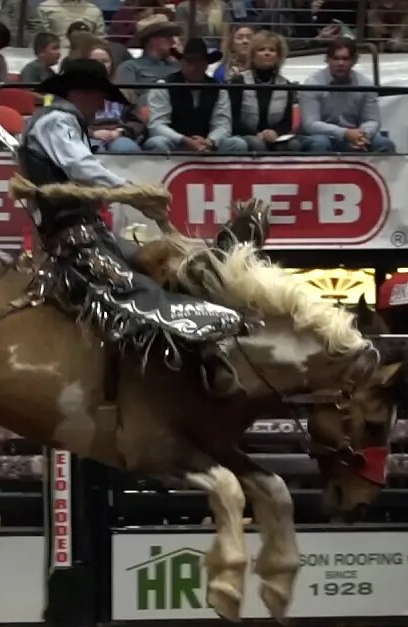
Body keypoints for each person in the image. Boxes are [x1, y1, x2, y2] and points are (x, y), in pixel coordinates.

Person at [21, 58, 245, 390]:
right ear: (83, 92)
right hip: (75, 239)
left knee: (160, 267)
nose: (102, 105)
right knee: (140, 291)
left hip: (86, 232)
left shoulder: (57, 121)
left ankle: (201, 355)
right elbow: (80, 165)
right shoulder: (57, 122)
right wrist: (130, 191)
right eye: (99, 96)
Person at [142, 38, 243, 154]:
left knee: (238, 144)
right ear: (182, 63)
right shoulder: (164, 86)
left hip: (207, 144)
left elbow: (223, 124)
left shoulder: (219, 89)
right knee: (157, 143)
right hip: (175, 143)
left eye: (198, 63)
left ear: (206, 65)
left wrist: (210, 141)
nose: (193, 67)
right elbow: (157, 125)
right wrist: (184, 140)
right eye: (189, 62)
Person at [299, 38, 394, 154]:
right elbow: (310, 124)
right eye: (336, 58)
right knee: (319, 143)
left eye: (345, 59)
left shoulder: (365, 84)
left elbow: (372, 120)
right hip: (323, 135)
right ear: (327, 59)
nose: (340, 64)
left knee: (385, 144)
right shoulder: (312, 83)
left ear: (354, 61)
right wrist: (345, 133)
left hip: (354, 135)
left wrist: (363, 135)